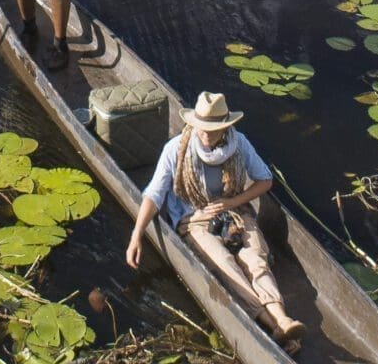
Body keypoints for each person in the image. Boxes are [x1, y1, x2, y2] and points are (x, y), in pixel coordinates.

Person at [126, 92, 304, 348]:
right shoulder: (176, 149)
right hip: (194, 218)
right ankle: (272, 324)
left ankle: (282, 318)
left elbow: (265, 180)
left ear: (226, 127)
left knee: (255, 259)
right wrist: (136, 235)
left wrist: (232, 202)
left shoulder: (239, 144)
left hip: (235, 211)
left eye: (213, 129)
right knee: (225, 265)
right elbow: (154, 194)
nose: (206, 135)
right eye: (202, 128)